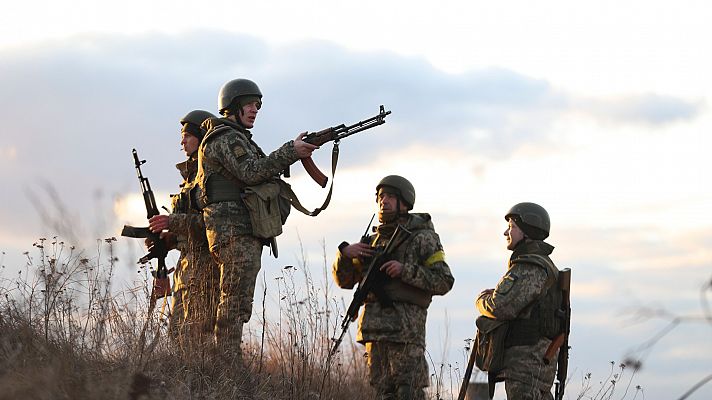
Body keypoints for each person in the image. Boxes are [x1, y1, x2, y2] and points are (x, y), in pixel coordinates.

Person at [195, 78, 318, 358]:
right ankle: (225, 361)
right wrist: (291, 151)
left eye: (258, 105)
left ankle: (226, 357)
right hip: (233, 230)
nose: (255, 109)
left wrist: (293, 153)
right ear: (234, 105)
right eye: (250, 104)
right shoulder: (225, 138)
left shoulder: (238, 138)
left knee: (238, 300)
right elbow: (250, 172)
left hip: (240, 230)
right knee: (234, 299)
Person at [332, 175, 454, 400]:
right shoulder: (372, 242)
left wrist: (405, 271)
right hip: (374, 332)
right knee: (382, 392)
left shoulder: (422, 238)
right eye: (380, 196)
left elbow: (444, 280)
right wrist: (345, 256)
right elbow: (345, 281)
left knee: (409, 391)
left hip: (404, 332)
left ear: (404, 202)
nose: (383, 201)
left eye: (390, 196)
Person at [148, 110, 220, 349]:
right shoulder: (191, 179)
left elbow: (211, 225)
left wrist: (172, 222)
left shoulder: (211, 178)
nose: (182, 141)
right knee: (179, 336)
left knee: (198, 338)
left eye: (188, 136)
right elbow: (190, 227)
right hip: (187, 267)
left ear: (202, 138)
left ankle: (204, 385)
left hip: (206, 268)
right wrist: (168, 240)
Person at [475, 202, 560, 400]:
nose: (506, 232)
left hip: (526, 363)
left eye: (512, 227)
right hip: (535, 362)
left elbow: (501, 307)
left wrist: (481, 300)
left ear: (527, 232)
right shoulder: (538, 264)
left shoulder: (530, 266)